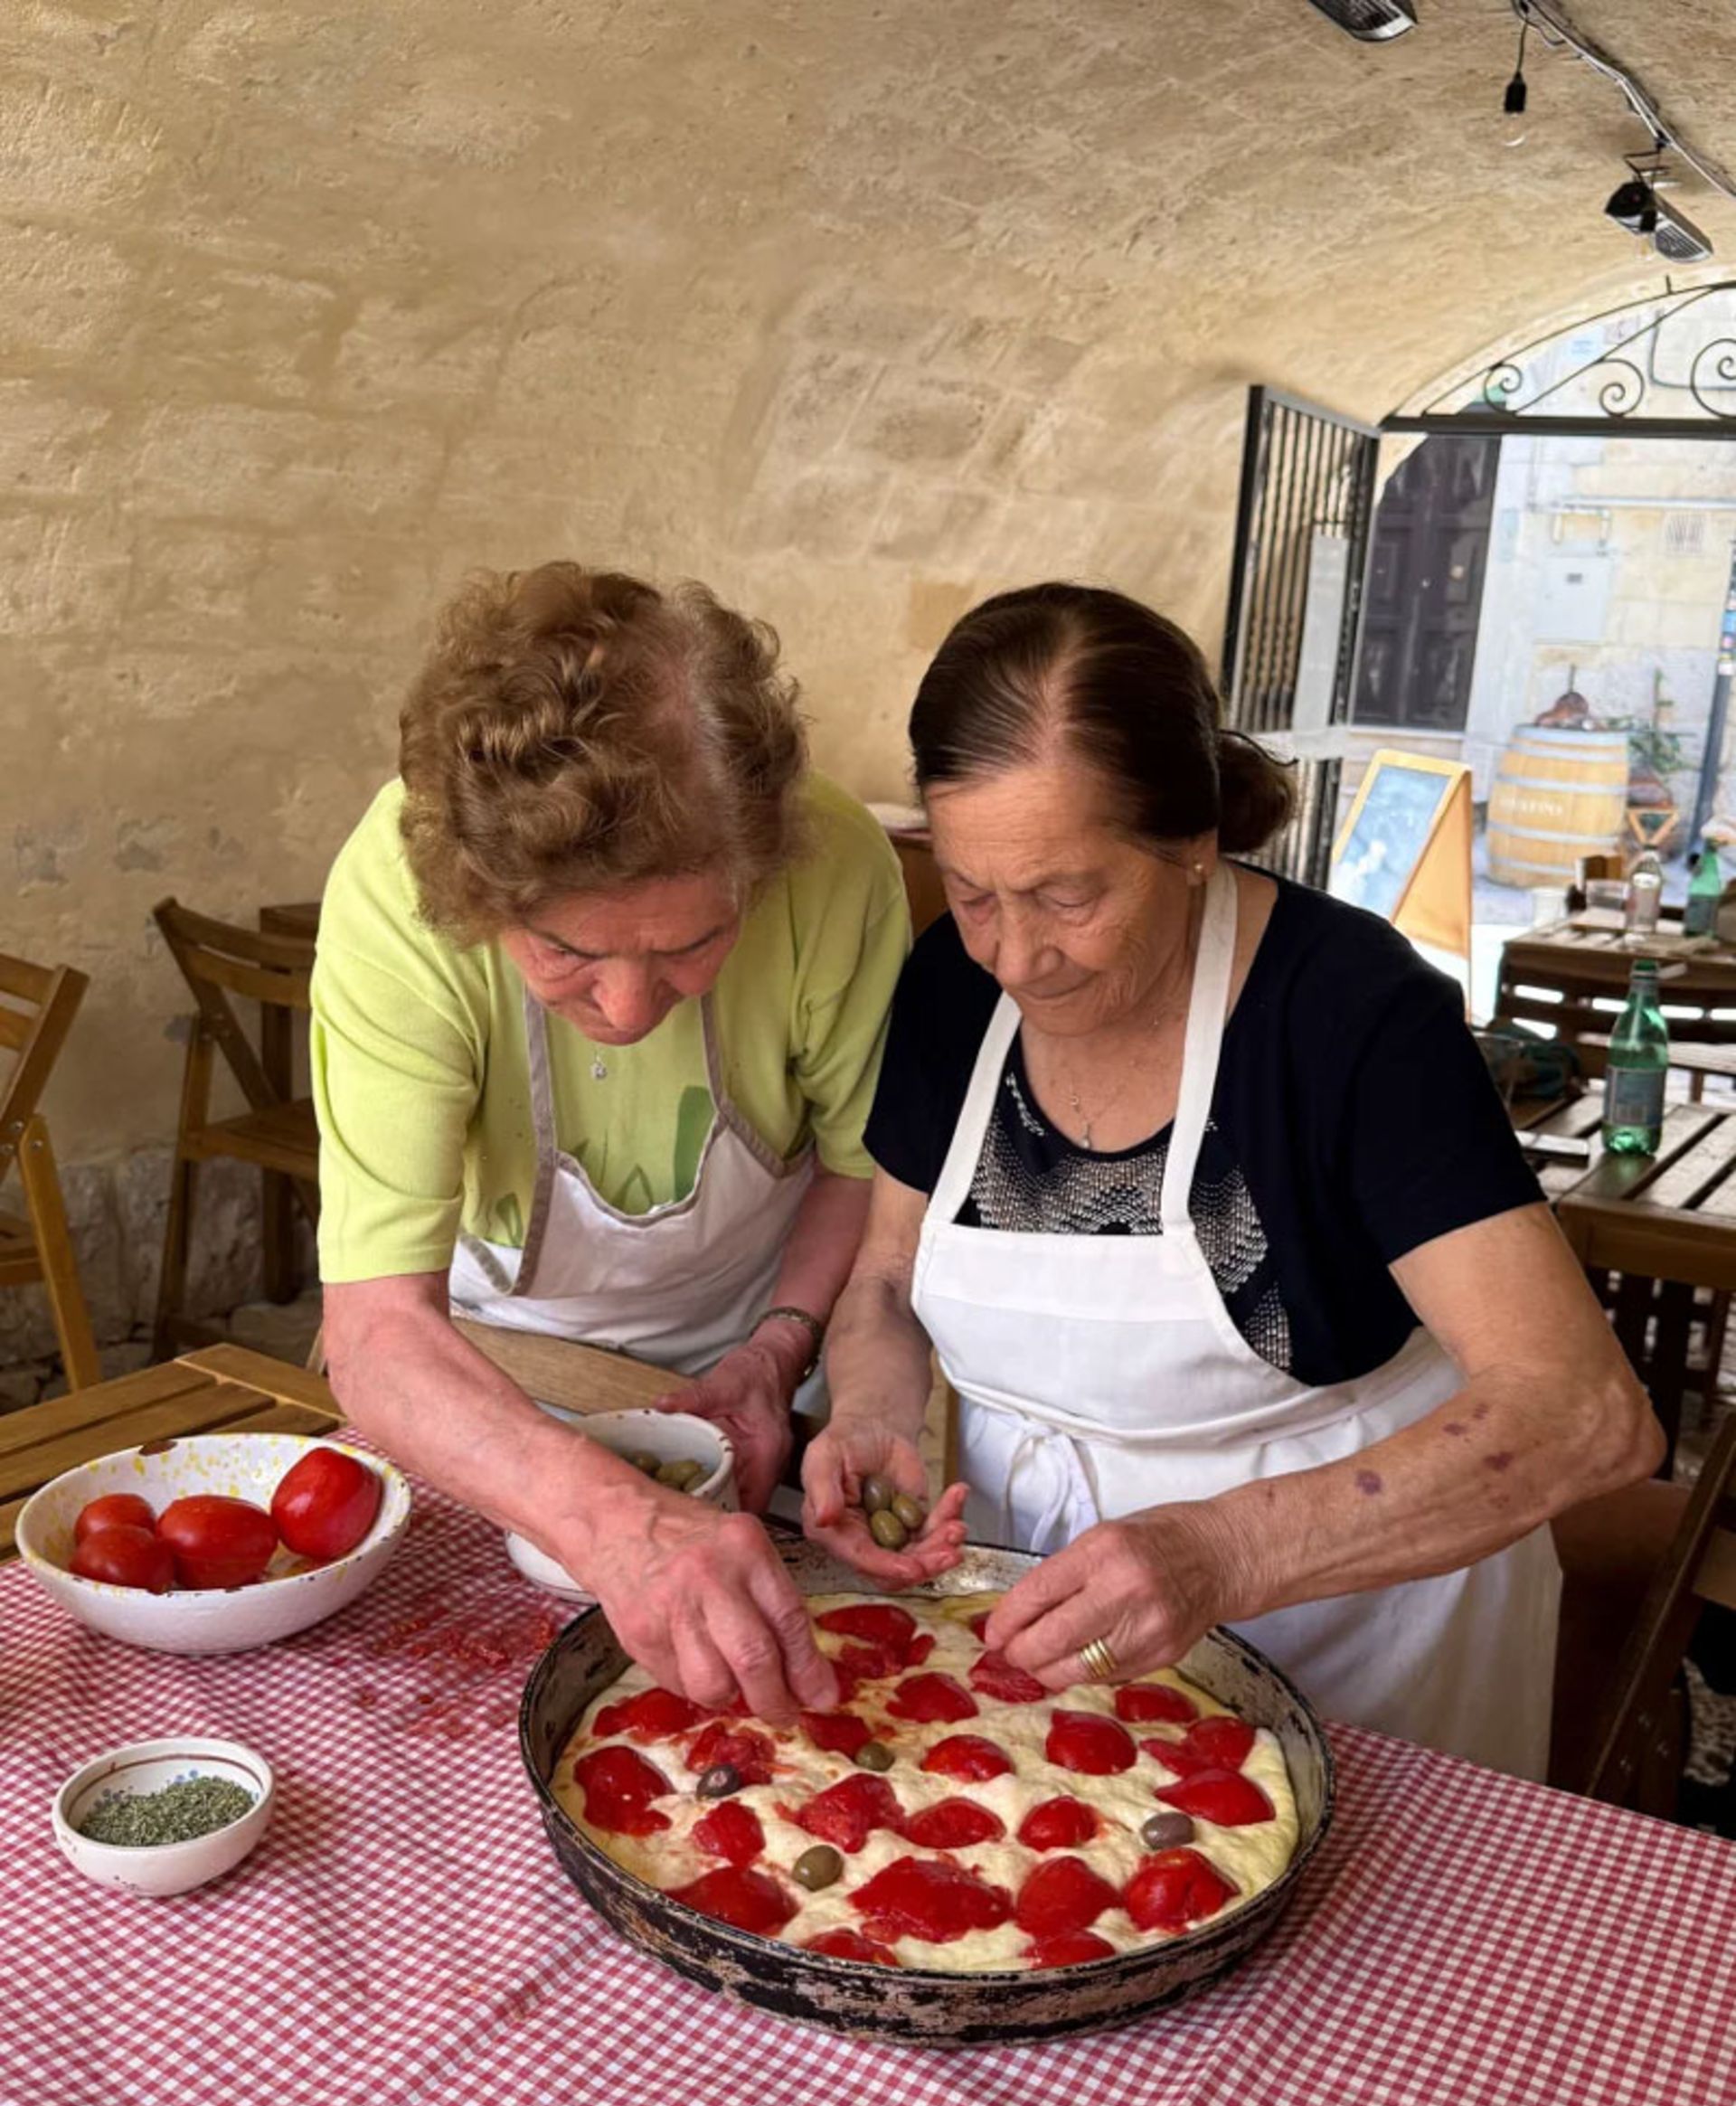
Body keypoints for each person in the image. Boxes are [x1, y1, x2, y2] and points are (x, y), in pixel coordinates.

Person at [802, 582, 1662, 1776]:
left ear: (1194, 842)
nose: (1017, 952)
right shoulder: (955, 983)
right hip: (1042, 1622)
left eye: (1069, 893)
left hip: (1353, 1646)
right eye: (970, 888)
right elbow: (887, 1283)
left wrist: (1222, 1556)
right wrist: (871, 1413)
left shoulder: (1347, 1012)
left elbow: (1583, 1414)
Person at [313, 561, 953, 1722]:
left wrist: (775, 1353)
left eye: (690, 946)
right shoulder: (392, 893)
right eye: (566, 952)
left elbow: (865, 1169)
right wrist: (618, 1519)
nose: (626, 1007)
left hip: (743, 1359)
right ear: (479, 898)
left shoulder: (838, 867)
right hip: (479, 1378)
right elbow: (376, 1332)